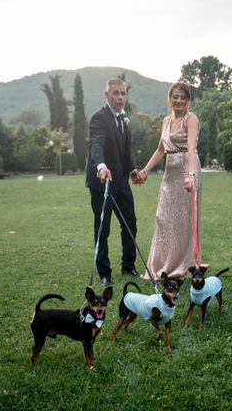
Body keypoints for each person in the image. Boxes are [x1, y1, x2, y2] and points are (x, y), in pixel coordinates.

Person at [137, 82, 201, 280]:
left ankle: (181, 266)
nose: (179, 100)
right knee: (163, 218)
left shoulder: (191, 119)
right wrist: (145, 171)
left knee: (182, 221)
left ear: (188, 100)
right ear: (170, 98)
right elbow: (160, 150)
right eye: (175, 96)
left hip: (186, 169)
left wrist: (190, 174)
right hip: (169, 173)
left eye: (183, 97)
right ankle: (162, 265)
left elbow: (191, 148)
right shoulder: (165, 121)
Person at [86, 78, 142, 287]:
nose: (120, 97)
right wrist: (100, 166)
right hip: (102, 184)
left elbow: (124, 155)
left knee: (130, 224)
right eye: (115, 93)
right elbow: (96, 145)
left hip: (122, 183)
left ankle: (128, 265)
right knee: (103, 228)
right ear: (107, 95)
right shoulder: (99, 119)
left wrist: (133, 170)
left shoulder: (124, 120)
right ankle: (104, 273)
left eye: (123, 93)